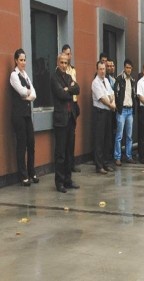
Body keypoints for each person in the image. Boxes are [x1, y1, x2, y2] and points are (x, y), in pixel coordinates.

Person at [51, 53, 80, 193]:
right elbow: (60, 94)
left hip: (70, 119)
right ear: (58, 62)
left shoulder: (68, 77)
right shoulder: (54, 77)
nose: (63, 65)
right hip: (60, 120)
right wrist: (69, 89)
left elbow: (77, 89)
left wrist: (68, 89)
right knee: (60, 153)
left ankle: (68, 180)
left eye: (66, 63)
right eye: (61, 62)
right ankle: (59, 182)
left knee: (69, 152)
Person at [10, 48, 39, 186]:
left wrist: (27, 95)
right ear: (16, 60)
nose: (23, 62)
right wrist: (27, 94)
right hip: (18, 115)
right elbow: (22, 92)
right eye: (21, 60)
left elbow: (33, 94)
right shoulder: (14, 75)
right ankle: (23, 176)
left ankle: (31, 171)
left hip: (27, 114)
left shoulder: (25, 75)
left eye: (24, 60)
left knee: (31, 143)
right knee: (21, 145)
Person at [92, 61, 116, 174]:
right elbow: (102, 98)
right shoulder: (95, 83)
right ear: (97, 70)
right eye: (100, 69)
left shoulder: (106, 80)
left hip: (107, 113)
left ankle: (105, 163)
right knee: (99, 140)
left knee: (107, 139)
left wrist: (113, 102)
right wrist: (111, 105)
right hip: (99, 113)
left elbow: (112, 94)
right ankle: (99, 166)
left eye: (104, 69)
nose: (102, 71)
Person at [62, 44, 81, 173]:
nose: (68, 57)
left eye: (70, 54)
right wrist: (71, 87)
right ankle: (66, 164)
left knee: (72, 136)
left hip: (74, 103)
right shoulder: (61, 70)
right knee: (65, 137)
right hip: (65, 105)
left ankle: (72, 163)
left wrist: (71, 87)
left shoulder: (73, 70)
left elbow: (76, 87)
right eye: (66, 54)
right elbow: (68, 87)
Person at [114, 59, 136, 166]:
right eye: (127, 67)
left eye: (130, 68)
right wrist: (118, 108)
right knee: (119, 135)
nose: (128, 69)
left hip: (130, 110)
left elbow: (134, 95)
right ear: (124, 68)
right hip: (122, 110)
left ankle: (128, 156)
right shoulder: (119, 79)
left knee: (129, 135)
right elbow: (116, 94)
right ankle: (117, 157)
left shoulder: (132, 81)